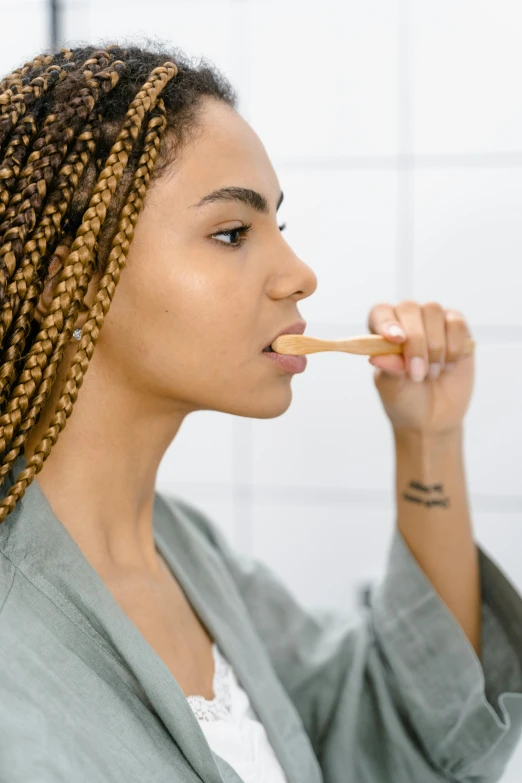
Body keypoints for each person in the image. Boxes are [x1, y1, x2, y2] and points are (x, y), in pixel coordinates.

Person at [0, 43, 520, 783]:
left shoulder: (192, 555)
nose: (299, 272)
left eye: (278, 223)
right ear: (69, 284)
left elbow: (400, 736)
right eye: (231, 233)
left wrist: (427, 436)